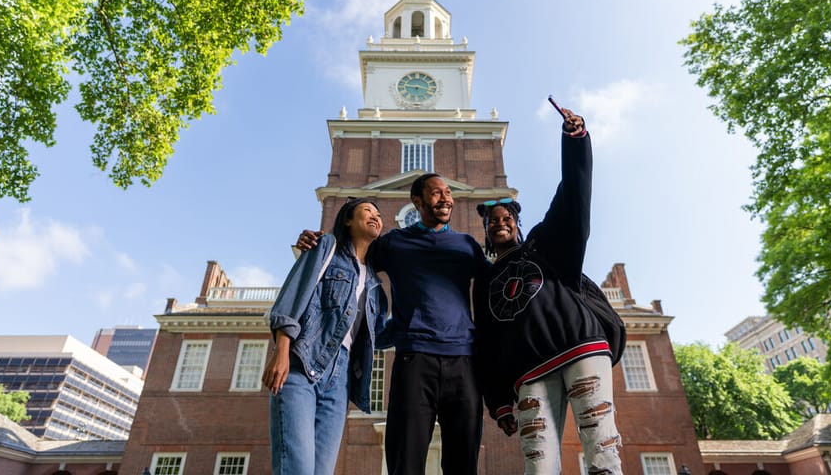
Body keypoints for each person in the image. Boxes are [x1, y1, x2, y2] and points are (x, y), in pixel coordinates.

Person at [298, 175, 487, 475]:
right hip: (414, 360)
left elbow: (497, 284)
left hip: (464, 363)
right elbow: (351, 256)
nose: (445, 198)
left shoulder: (465, 244)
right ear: (418, 202)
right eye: (436, 193)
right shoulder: (396, 242)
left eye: (448, 193)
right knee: (405, 462)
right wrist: (317, 244)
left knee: (464, 464)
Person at [473, 107, 624, 475]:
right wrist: (499, 404)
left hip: (581, 349)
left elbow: (572, 199)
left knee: (600, 448)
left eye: (508, 217)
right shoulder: (486, 280)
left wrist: (575, 142)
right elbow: (488, 345)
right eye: (493, 221)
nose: (501, 222)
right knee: (538, 463)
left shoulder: (544, 244)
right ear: (487, 232)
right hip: (529, 373)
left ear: (518, 224)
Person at [263, 198, 388, 475]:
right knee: (297, 468)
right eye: (368, 211)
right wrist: (281, 351)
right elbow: (294, 295)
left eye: (379, 215)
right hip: (301, 364)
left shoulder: (374, 283)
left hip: (340, 382)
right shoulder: (325, 248)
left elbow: (375, 337)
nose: (375, 217)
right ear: (347, 220)